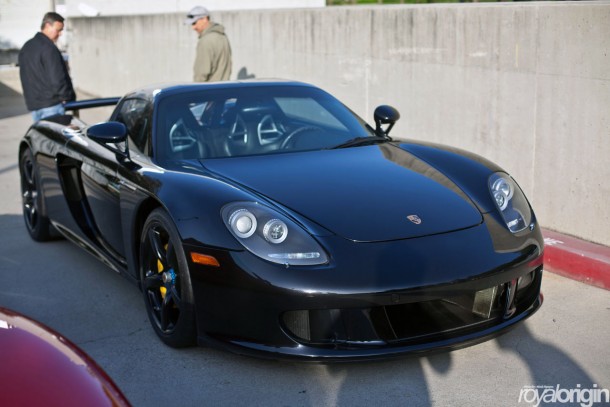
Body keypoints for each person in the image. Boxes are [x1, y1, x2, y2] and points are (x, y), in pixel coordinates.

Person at [18, 12, 76, 122]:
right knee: (56, 133)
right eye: (58, 30)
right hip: (52, 105)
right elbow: (57, 78)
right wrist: (66, 97)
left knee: (42, 134)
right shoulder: (49, 48)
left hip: (34, 105)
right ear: (48, 25)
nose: (60, 34)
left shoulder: (27, 46)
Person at [185, 6, 232, 82]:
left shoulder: (205, 41)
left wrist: (196, 88)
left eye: (194, 23)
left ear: (205, 19)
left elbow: (201, 73)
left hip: (209, 88)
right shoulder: (223, 36)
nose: (193, 27)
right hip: (224, 86)